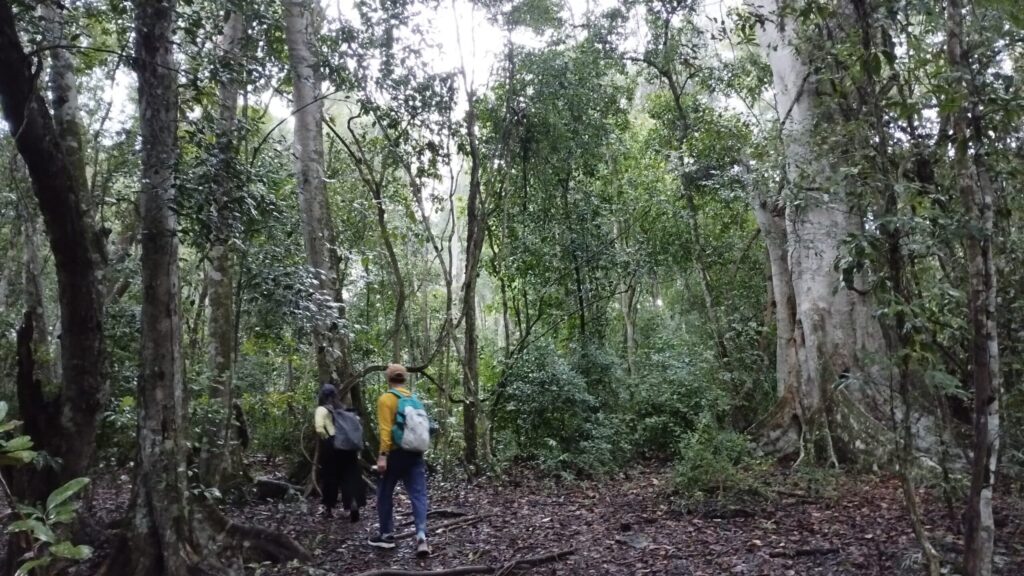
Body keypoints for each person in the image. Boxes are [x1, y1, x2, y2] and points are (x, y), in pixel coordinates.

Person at [368, 364, 430, 557]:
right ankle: (421, 536)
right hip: (415, 455)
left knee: (384, 493)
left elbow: (386, 431)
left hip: (394, 455)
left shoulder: (386, 399)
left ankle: (387, 535)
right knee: (418, 495)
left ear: (389, 379)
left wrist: (382, 456)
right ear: (405, 379)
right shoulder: (415, 400)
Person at [314, 383, 365, 522]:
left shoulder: (322, 409)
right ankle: (353, 505)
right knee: (350, 477)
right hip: (348, 447)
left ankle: (329, 508)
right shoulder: (342, 409)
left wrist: (327, 439)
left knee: (330, 477)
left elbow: (319, 428)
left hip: (333, 446)